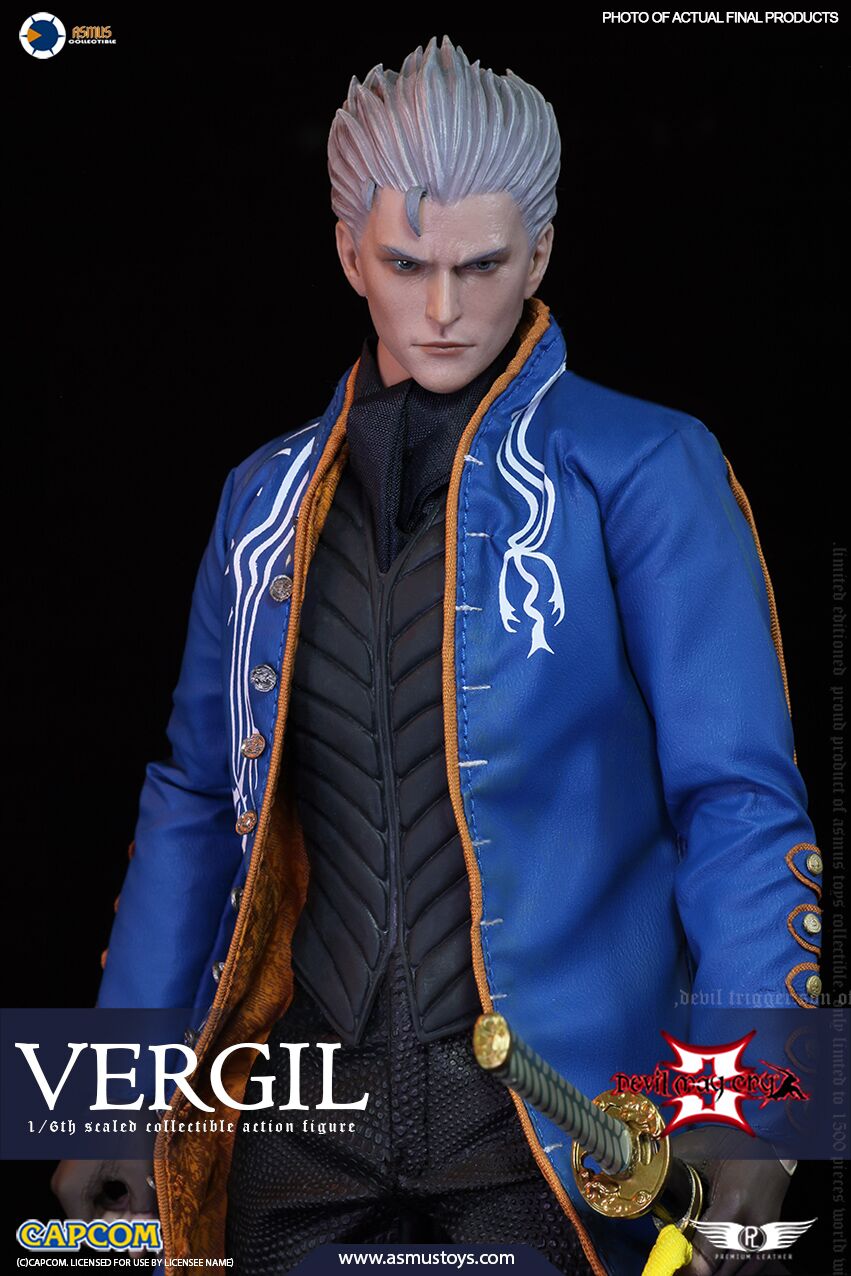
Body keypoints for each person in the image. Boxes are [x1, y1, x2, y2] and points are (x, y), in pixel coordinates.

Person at [52, 35, 823, 1276]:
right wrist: (103, 1096)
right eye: (408, 265)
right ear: (349, 254)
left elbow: (735, 800)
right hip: (301, 1107)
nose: (446, 309)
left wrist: (755, 1108)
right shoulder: (262, 502)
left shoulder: (640, 466)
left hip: (554, 1120)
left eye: (482, 264)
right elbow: (195, 801)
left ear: (541, 252)